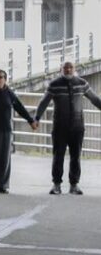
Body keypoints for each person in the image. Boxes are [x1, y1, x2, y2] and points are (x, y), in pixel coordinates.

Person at [35, 61, 101, 195]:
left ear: (74, 69)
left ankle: (74, 185)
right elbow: (44, 102)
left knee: (75, 157)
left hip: (77, 127)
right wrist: (36, 118)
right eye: (65, 68)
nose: (68, 70)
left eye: (70, 68)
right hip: (60, 127)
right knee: (58, 156)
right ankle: (56, 184)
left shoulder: (82, 83)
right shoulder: (54, 85)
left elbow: (94, 99)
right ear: (61, 69)